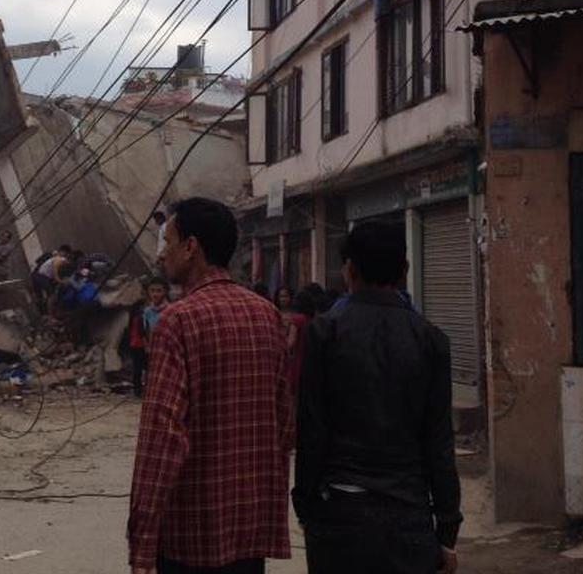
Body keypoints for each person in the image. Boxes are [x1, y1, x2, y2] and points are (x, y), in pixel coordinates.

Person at [128, 198, 292, 574]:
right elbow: (284, 424)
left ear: (191, 247)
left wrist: (142, 544)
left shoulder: (177, 321)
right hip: (249, 535)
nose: (161, 254)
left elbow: (161, 441)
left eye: (167, 241)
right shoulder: (267, 315)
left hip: (189, 539)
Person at [293, 220, 461, 574]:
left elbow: (311, 430)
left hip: (338, 511)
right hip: (409, 515)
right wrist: (446, 529)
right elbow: (439, 442)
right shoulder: (431, 340)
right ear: (405, 271)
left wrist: (306, 505)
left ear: (349, 269)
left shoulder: (324, 333)